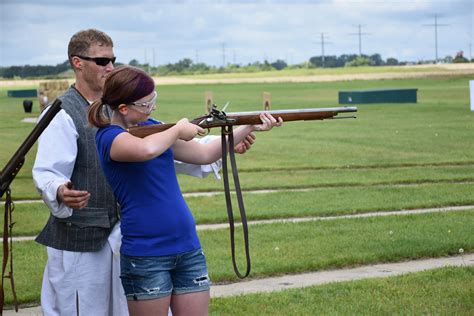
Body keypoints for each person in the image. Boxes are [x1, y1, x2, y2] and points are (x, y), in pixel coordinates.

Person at [32, 28, 255, 316]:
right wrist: (60, 190)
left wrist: (236, 135)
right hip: (87, 234)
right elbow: (48, 171)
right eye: (102, 61)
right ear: (78, 62)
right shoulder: (64, 114)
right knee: (83, 308)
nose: (110, 67)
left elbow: (189, 151)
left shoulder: (145, 122)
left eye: (113, 60)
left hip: (140, 236)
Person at [88, 65, 282, 316]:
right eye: (146, 104)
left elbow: (204, 154)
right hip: (146, 254)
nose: (152, 108)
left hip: (187, 246)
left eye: (153, 100)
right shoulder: (108, 137)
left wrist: (249, 127)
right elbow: (145, 151)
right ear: (123, 108)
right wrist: (177, 130)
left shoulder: (155, 128)